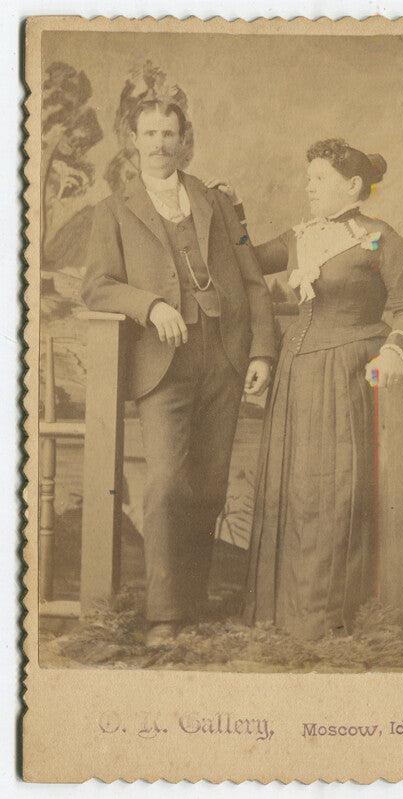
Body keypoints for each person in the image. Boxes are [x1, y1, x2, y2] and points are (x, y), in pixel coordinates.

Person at [81, 100, 277, 647]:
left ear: (184, 139)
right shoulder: (113, 210)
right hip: (162, 360)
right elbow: (96, 286)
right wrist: (150, 306)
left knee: (210, 483)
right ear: (133, 140)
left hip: (225, 353)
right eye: (150, 133)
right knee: (167, 482)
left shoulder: (217, 200)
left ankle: (193, 599)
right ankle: (164, 615)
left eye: (170, 133)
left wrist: (261, 351)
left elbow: (254, 279)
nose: (161, 143)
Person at [229, 139, 403, 640]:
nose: (308, 187)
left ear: (352, 185)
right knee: (295, 489)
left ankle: (330, 617)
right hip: (295, 376)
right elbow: (243, 261)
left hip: (348, 374)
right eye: (308, 178)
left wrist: (395, 348)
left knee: (337, 488)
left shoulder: (381, 239)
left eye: (318, 179)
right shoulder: (299, 238)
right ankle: (285, 615)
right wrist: (228, 215)